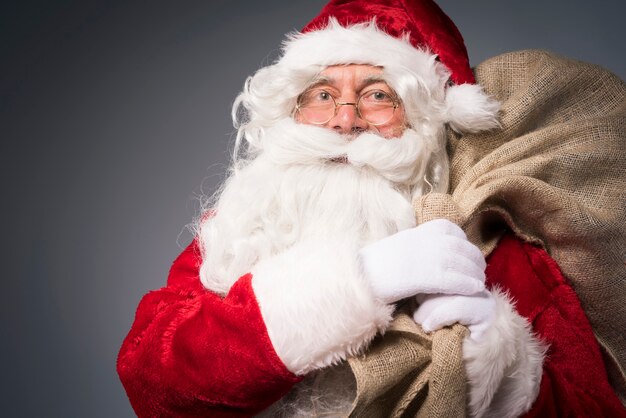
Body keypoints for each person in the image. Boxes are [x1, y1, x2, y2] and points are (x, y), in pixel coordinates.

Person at [118, 0, 626, 416]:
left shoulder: (496, 248)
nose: (344, 120)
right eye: (321, 94)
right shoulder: (242, 230)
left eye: (377, 95)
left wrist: (507, 373)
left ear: (424, 122)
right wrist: (358, 282)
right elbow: (151, 382)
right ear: (293, 113)